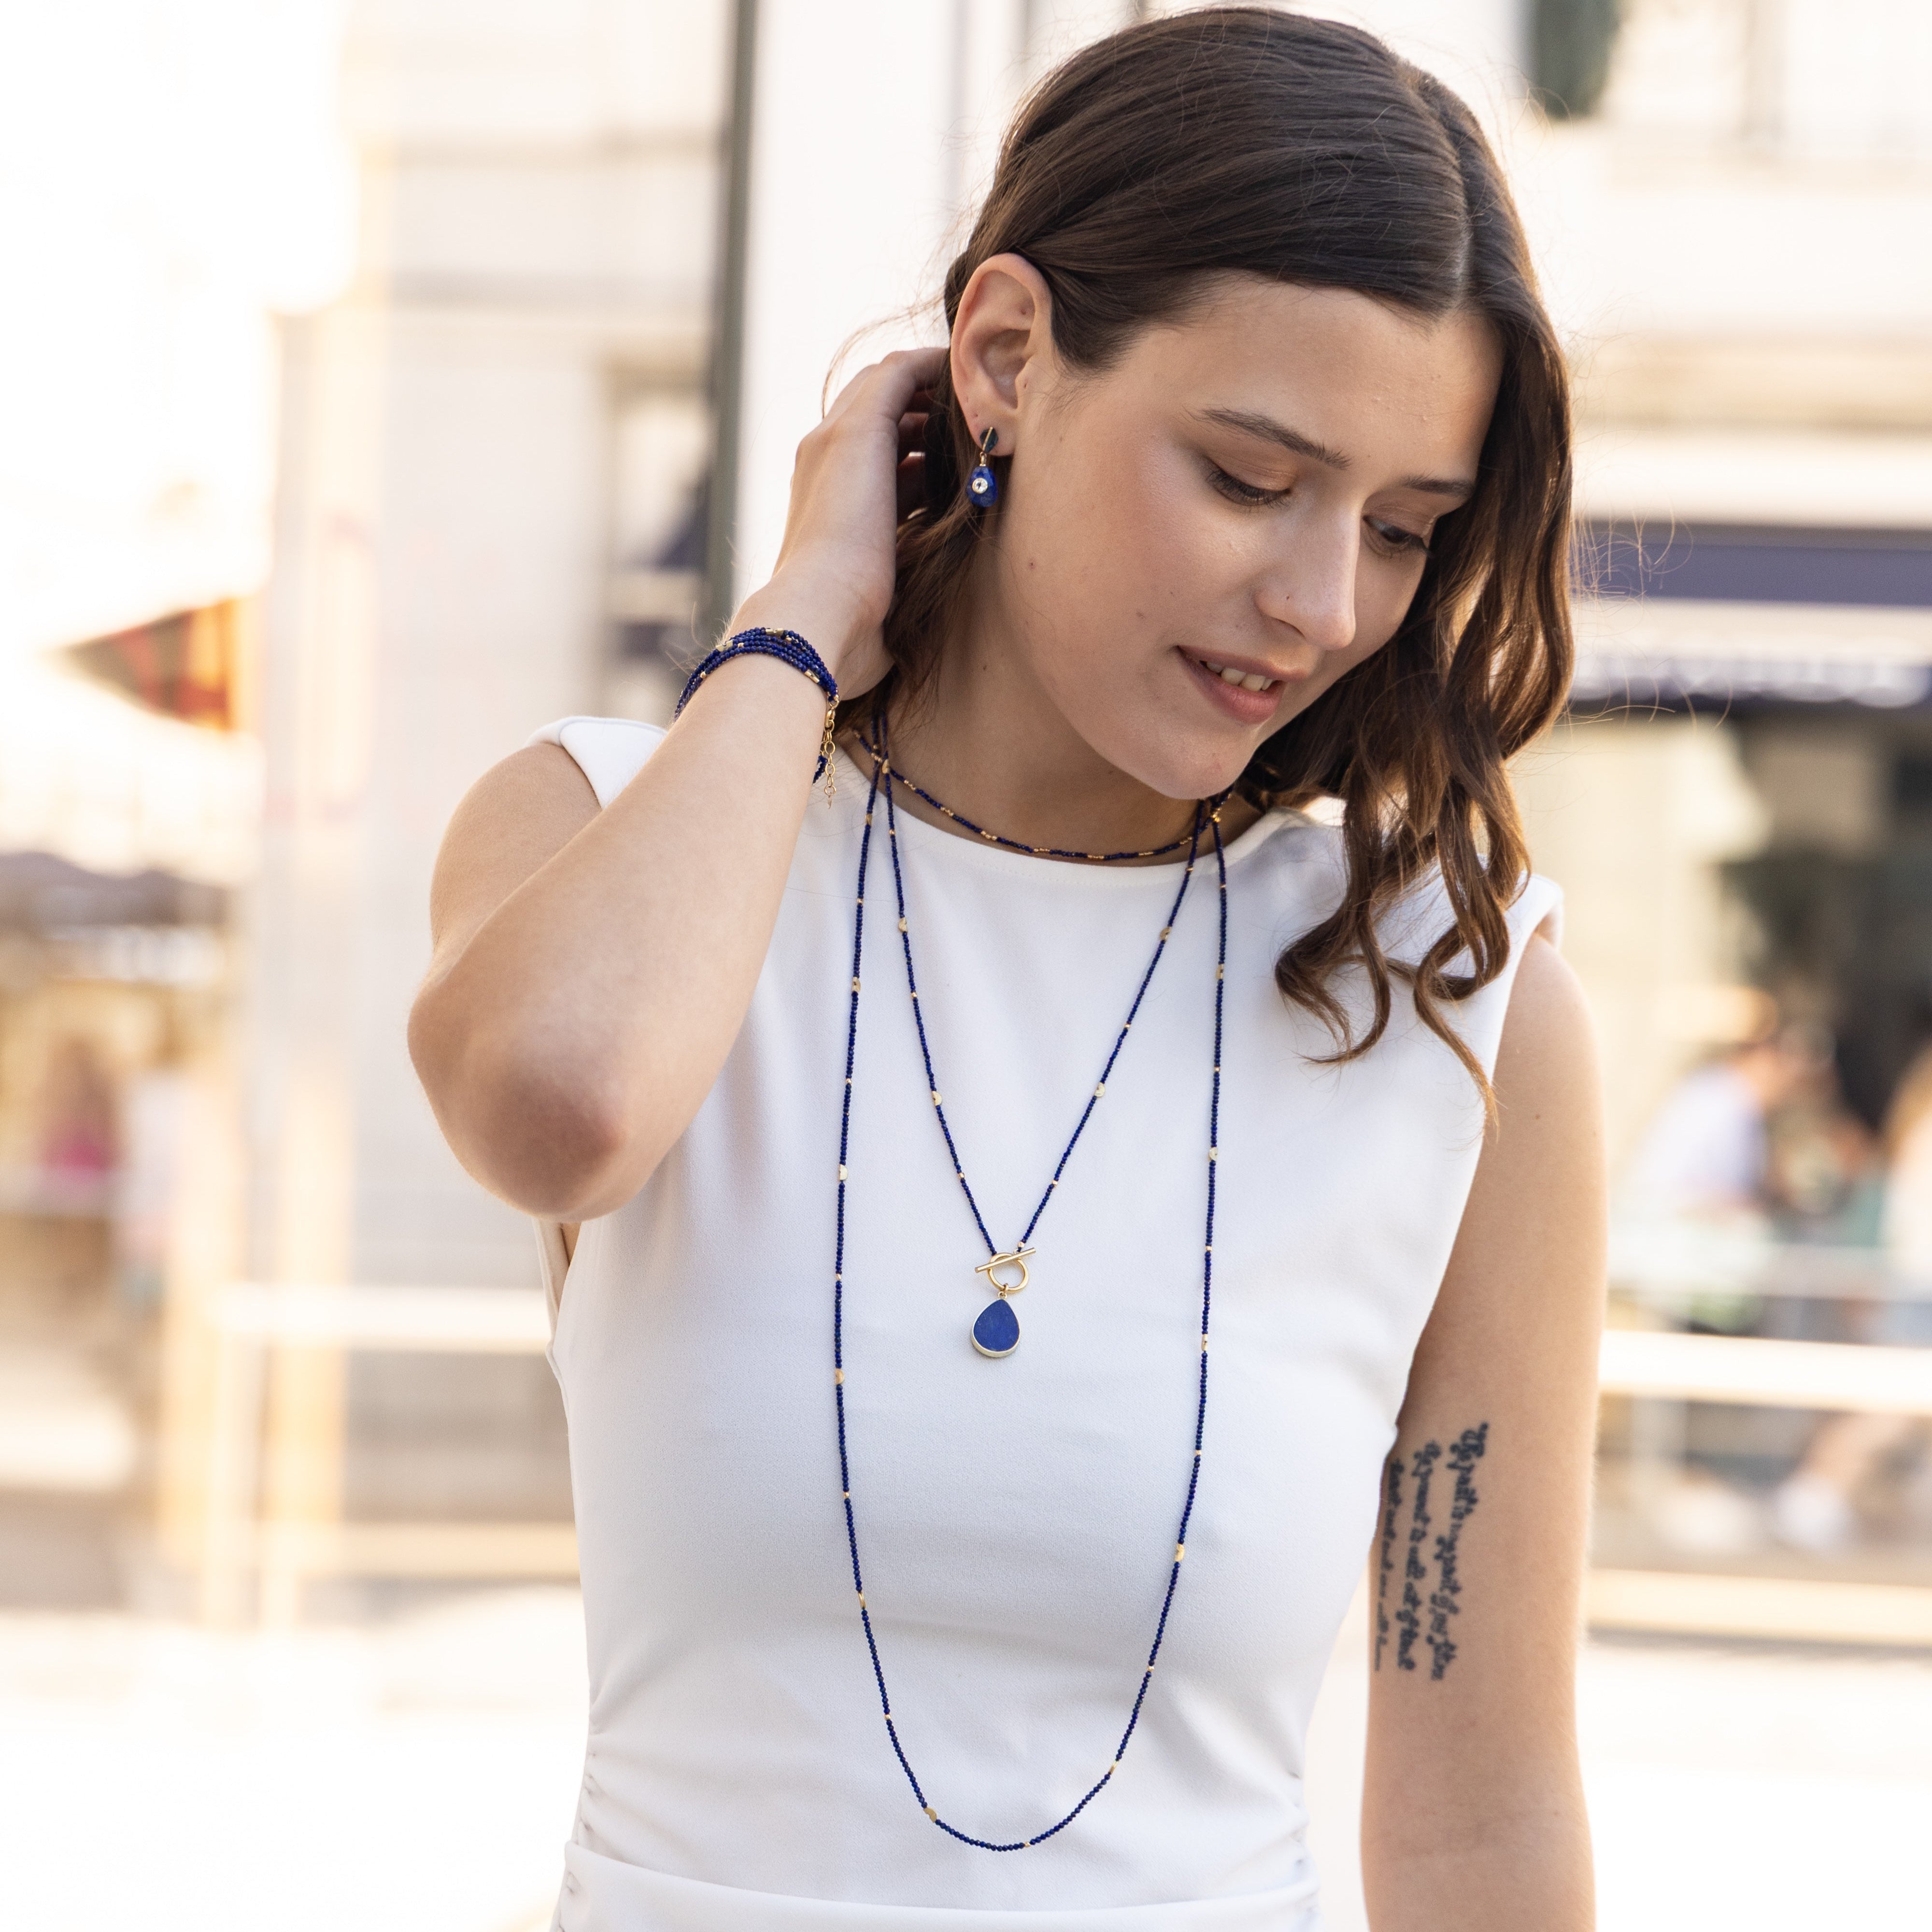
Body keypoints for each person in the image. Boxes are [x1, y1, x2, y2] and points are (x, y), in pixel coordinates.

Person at [410, 13, 1602, 1929]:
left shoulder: (1449, 995)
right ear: (1004, 357)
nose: (1318, 603)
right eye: (1245, 474)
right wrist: (803, 615)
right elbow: (558, 1103)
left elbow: (1481, 1819)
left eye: (1399, 530)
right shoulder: (607, 827)